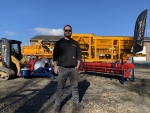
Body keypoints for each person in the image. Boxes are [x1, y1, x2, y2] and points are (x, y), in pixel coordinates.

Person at [53, 25, 84, 113]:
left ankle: (76, 102)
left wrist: (78, 65)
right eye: (66, 30)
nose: (68, 32)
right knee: (60, 87)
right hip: (62, 68)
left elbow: (79, 54)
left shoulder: (75, 43)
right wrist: (55, 66)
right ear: (63, 31)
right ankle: (57, 105)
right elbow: (55, 55)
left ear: (71, 31)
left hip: (73, 69)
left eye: (69, 30)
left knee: (75, 86)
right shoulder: (59, 43)